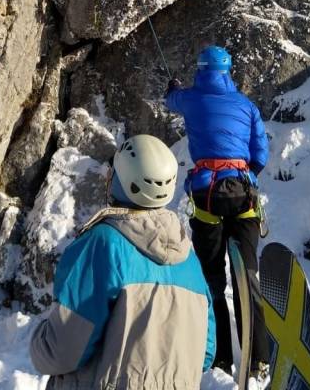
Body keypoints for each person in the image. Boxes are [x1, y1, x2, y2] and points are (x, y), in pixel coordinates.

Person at [30, 134, 216, 389]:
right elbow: (204, 354)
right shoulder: (190, 260)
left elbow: (60, 351)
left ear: (123, 182)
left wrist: (39, 341)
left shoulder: (102, 245)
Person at [165, 45, 270, 380]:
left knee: (212, 278)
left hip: (207, 195)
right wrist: (242, 173)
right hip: (242, 194)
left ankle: (219, 357)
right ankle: (258, 358)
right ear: (228, 71)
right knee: (246, 275)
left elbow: (171, 101)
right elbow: (260, 153)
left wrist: (172, 88)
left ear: (201, 69)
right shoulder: (246, 105)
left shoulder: (191, 99)